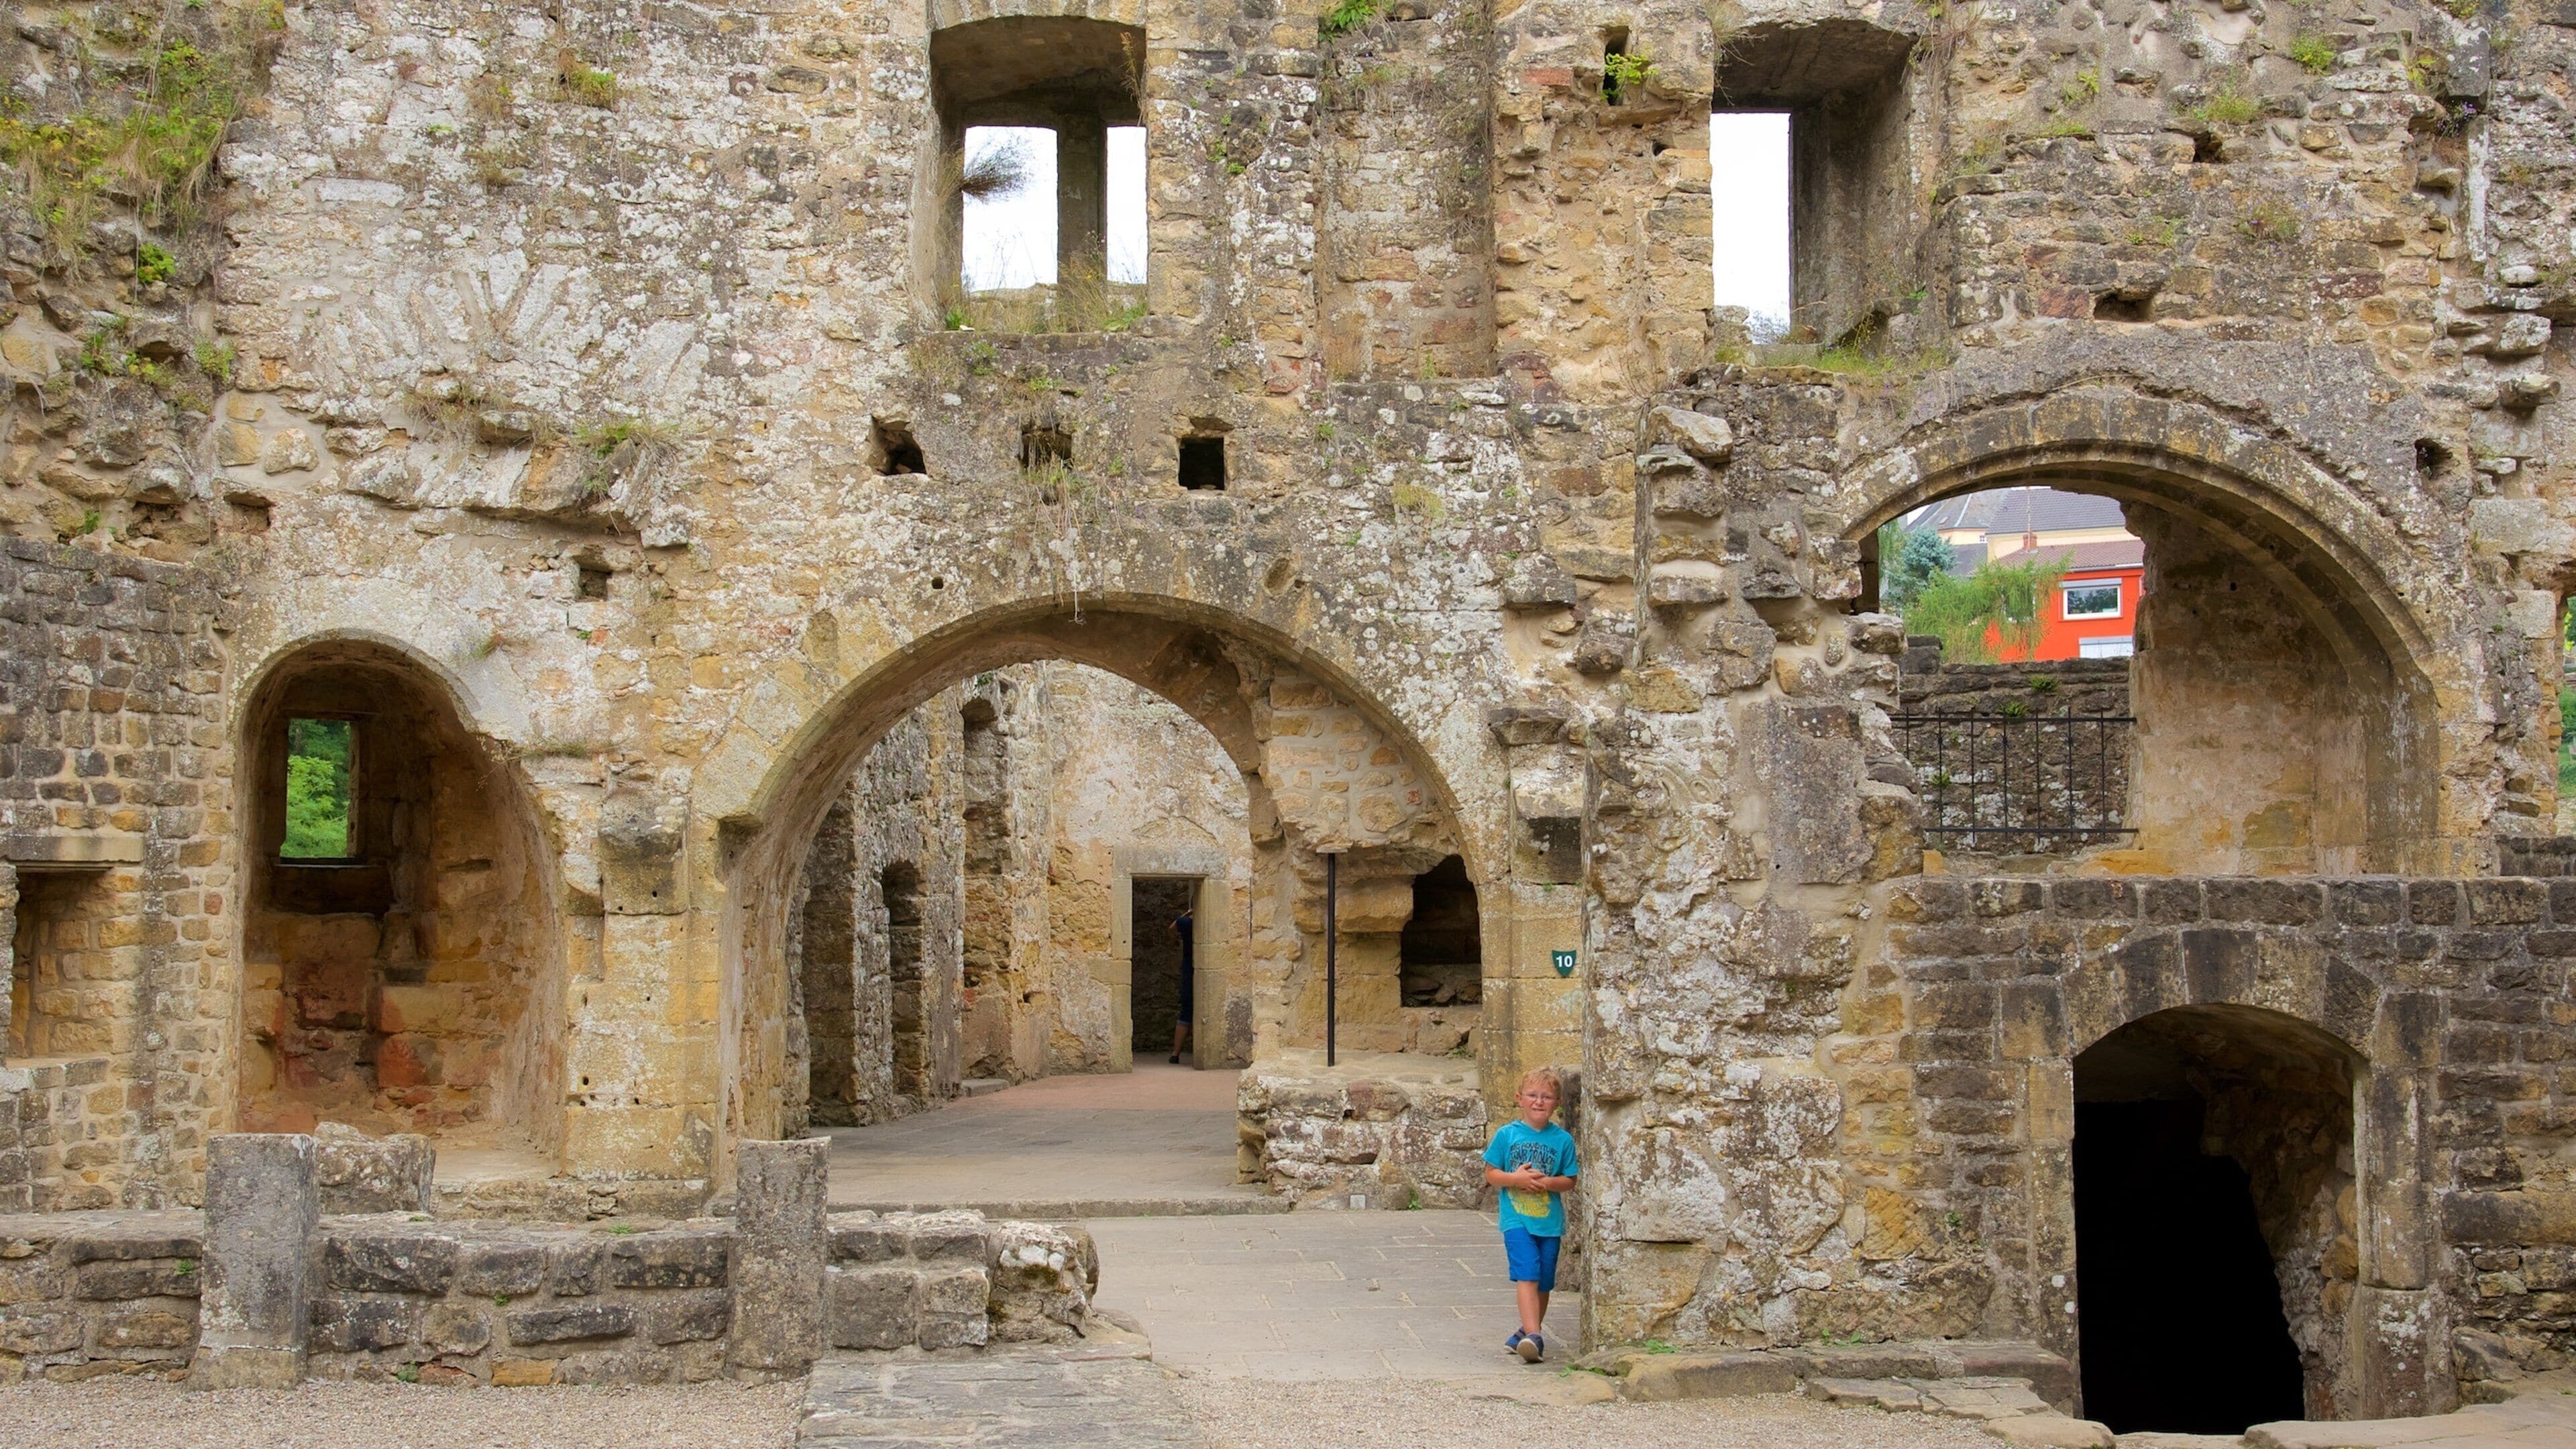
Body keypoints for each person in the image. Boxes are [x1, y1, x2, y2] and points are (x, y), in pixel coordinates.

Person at [1481, 1066, 1578, 1362]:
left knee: (1544, 1281)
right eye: (1533, 1096)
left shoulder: (1563, 1141)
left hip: (1549, 1223)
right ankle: (1536, 1337)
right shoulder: (1507, 1135)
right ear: (1519, 1098)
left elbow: (1570, 1180)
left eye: (1547, 1097)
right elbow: (1491, 1174)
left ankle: (1526, 1331)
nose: (1539, 1102)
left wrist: (1548, 1183)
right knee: (1528, 1274)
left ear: (1557, 1103)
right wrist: (1517, 1180)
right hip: (1517, 1220)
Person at [1169, 908, 1195, 1065]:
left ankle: (1175, 1054)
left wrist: (1187, 914)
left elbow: (1172, 928)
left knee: (1186, 1010)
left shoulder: (1186, 923)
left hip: (1187, 966)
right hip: (1194, 965)